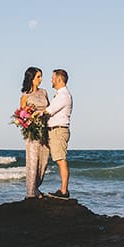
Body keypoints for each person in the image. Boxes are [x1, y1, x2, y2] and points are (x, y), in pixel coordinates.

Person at [19, 66, 50, 200]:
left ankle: (36, 187)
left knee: (43, 160)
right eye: (38, 77)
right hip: (32, 131)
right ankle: (30, 192)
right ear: (31, 78)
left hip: (46, 129)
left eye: (41, 76)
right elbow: (21, 115)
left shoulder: (44, 92)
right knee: (33, 161)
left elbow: (49, 109)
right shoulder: (25, 96)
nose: (41, 79)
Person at [44, 69, 73, 199]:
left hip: (58, 130)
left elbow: (49, 111)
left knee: (61, 160)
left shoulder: (63, 95)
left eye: (53, 78)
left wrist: (30, 115)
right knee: (59, 159)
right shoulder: (60, 95)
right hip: (56, 130)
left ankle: (64, 191)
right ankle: (63, 190)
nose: (51, 80)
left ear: (59, 79)